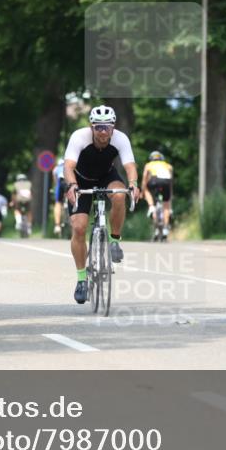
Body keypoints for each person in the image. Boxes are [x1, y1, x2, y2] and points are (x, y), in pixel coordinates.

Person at [64, 105, 140, 304]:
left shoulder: (121, 138)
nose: (103, 131)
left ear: (113, 127)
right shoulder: (79, 137)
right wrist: (72, 185)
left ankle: (114, 240)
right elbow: (68, 166)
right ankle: (81, 280)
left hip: (107, 176)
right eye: (98, 127)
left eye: (107, 127)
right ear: (91, 127)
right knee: (79, 228)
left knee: (119, 196)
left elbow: (130, 165)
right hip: (80, 180)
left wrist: (133, 185)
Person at [142, 151, 174, 240]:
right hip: (166, 182)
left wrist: (143, 190)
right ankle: (165, 229)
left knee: (146, 190)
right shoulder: (168, 166)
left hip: (154, 181)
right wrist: (170, 194)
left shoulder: (148, 165)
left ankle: (151, 207)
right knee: (166, 206)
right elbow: (171, 181)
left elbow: (145, 178)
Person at [52, 158, 67, 237]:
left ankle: (57, 225)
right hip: (69, 181)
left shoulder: (56, 169)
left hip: (61, 181)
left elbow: (55, 181)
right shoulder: (71, 165)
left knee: (58, 203)